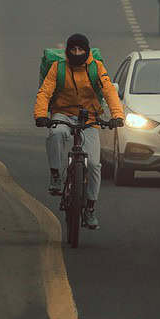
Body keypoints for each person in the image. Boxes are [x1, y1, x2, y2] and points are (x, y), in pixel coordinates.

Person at [34, 33, 124, 230]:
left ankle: (90, 208)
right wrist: (41, 115)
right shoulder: (58, 68)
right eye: (73, 50)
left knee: (93, 164)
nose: (76, 53)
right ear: (67, 51)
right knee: (56, 134)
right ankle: (56, 175)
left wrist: (117, 116)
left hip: (89, 118)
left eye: (80, 50)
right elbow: (45, 92)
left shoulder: (96, 68)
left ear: (87, 51)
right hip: (62, 114)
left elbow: (109, 90)